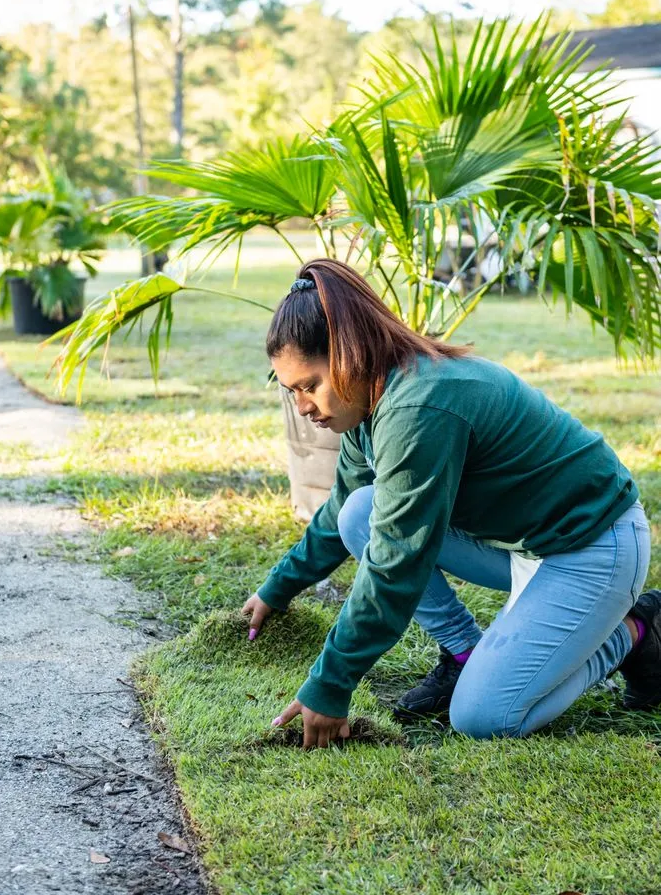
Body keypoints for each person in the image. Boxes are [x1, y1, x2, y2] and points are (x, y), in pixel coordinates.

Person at [241, 259, 656, 750]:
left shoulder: (420, 405)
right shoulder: (366, 405)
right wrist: (277, 589)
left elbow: (396, 564)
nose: (304, 407)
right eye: (292, 392)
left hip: (593, 546)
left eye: (309, 386)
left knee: (485, 716)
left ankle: (636, 629)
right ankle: (464, 654)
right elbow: (339, 514)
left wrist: (330, 684)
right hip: (527, 547)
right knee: (360, 511)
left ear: (348, 356)